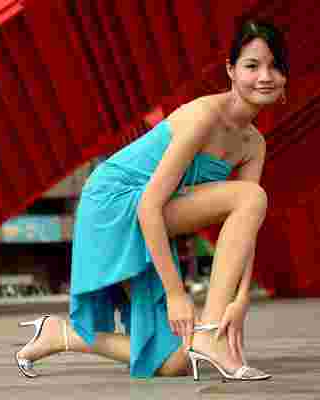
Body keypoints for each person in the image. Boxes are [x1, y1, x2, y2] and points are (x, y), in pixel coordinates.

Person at [15, 19, 288, 381]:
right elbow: (149, 205)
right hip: (115, 204)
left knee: (174, 362)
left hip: (153, 209)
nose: (264, 76)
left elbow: (248, 224)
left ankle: (59, 334)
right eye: (252, 65)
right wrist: (176, 293)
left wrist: (241, 299)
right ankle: (210, 337)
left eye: (274, 66)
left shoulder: (254, 144)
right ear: (231, 70)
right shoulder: (204, 117)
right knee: (251, 195)